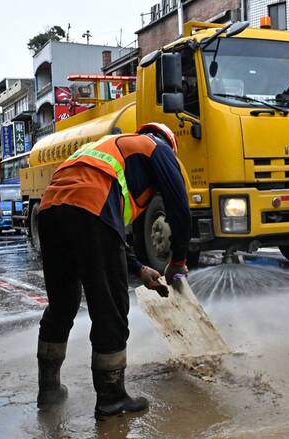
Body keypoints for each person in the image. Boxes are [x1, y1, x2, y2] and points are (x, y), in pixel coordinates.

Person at [36, 122, 191, 419]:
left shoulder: (107, 148)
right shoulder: (157, 147)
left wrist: (139, 268)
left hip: (50, 210)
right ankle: (111, 398)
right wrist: (179, 260)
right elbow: (179, 205)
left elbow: (108, 234)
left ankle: (48, 389)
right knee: (110, 307)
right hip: (89, 208)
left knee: (62, 304)